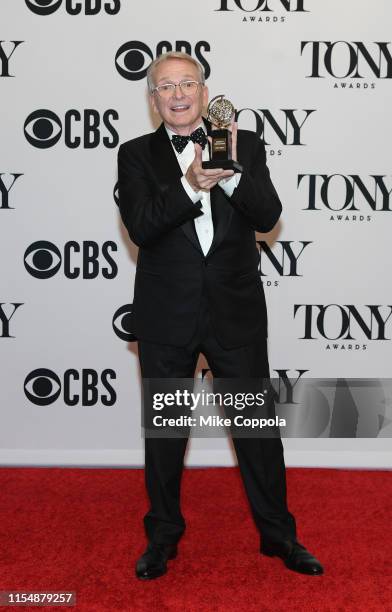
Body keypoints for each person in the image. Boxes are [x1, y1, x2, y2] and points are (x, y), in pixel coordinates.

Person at [117, 51, 323, 580]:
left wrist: (226, 174)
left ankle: (280, 538)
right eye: (166, 86)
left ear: (206, 94)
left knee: (256, 430)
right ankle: (162, 538)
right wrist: (191, 184)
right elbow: (142, 226)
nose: (179, 94)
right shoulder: (136, 155)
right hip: (167, 314)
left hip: (235, 312)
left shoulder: (244, 144)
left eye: (188, 83)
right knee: (165, 432)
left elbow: (269, 214)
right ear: (153, 98)